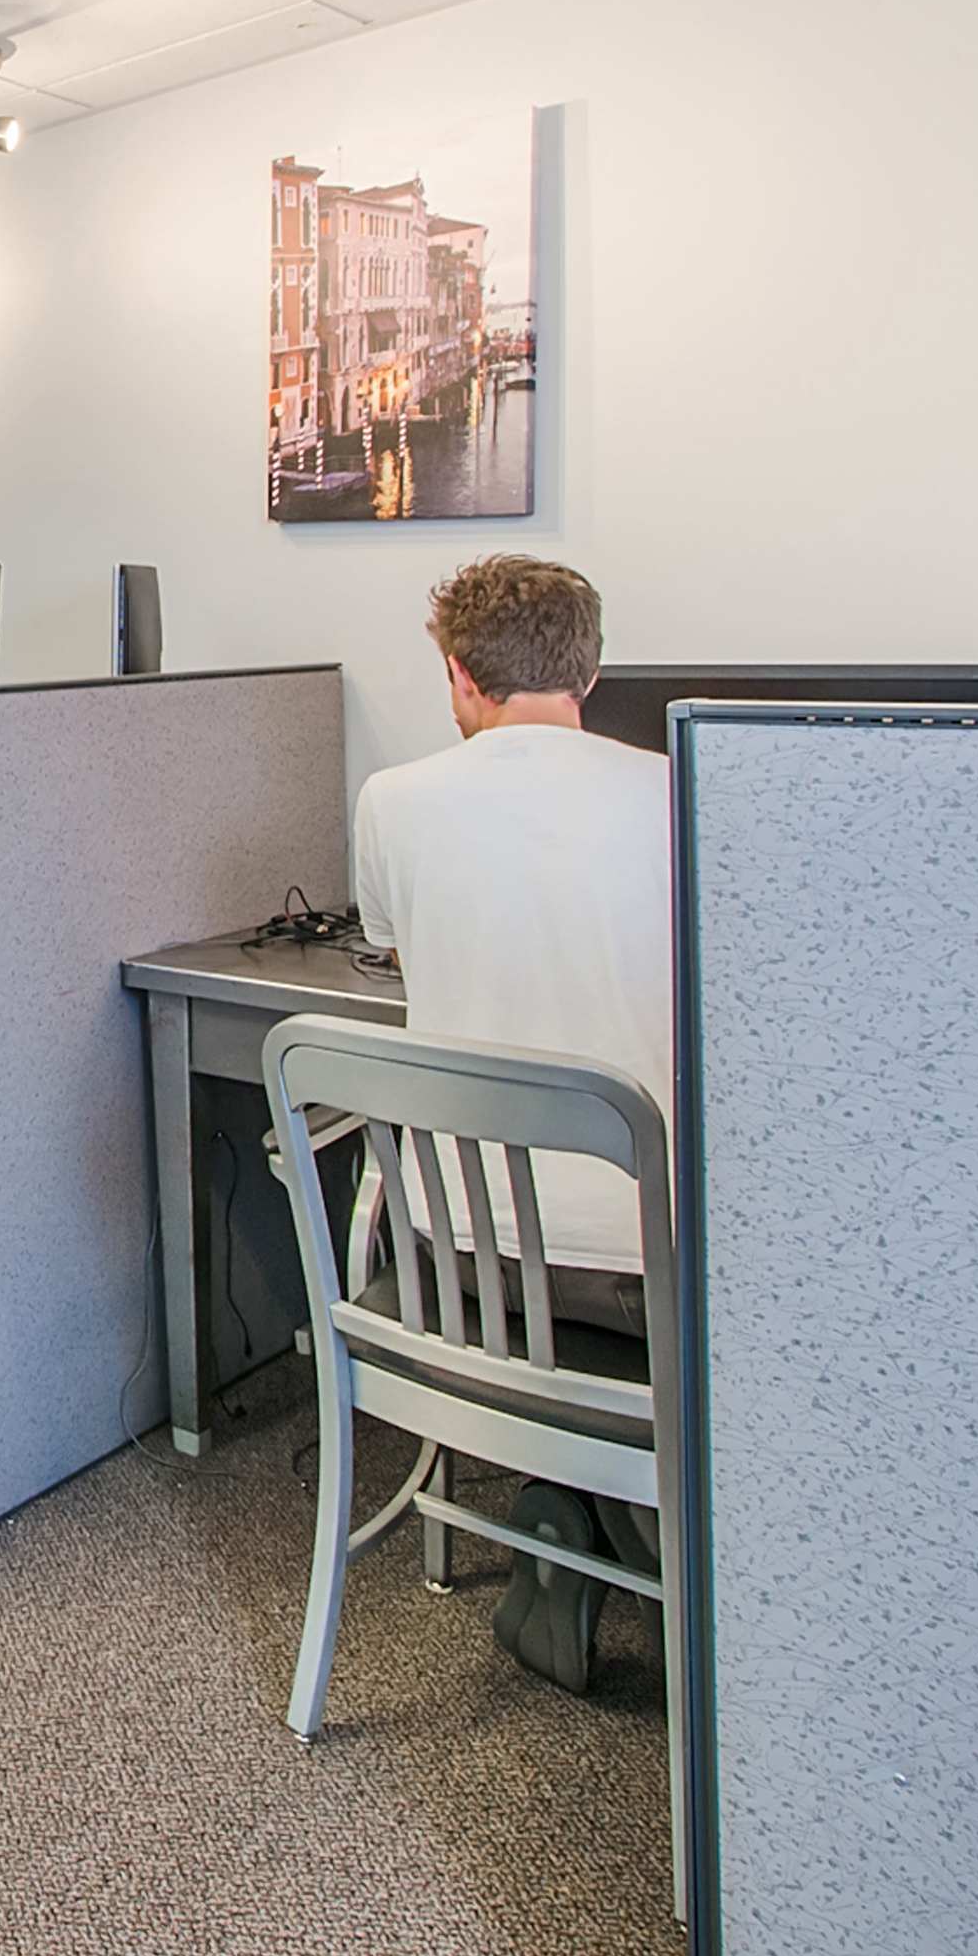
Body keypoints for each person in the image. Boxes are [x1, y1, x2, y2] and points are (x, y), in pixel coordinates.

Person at [349, 554, 673, 1697]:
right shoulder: (679, 793)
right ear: (590, 667)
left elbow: (390, 950)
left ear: (457, 674)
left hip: (454, 1259)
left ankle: (564, 1511)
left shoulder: (393, 798)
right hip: (642, 1278)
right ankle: (631, 1532)